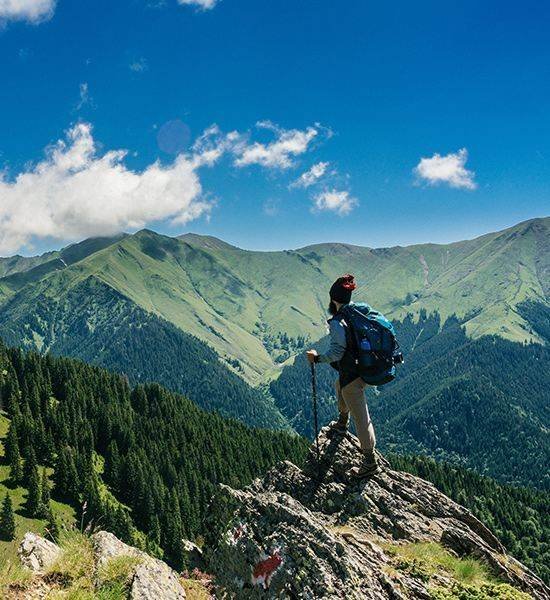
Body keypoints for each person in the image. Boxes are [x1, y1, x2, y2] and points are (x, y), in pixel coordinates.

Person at [306, 274, 378, 477]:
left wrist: (317, 358)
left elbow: (337, 352)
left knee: (361, 417)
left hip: (353, 375)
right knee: (340, 386)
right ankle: (342, 422)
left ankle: (369, 461)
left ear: (334, 300)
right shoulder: (358, 311)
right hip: (363, 367)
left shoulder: (339, 321)